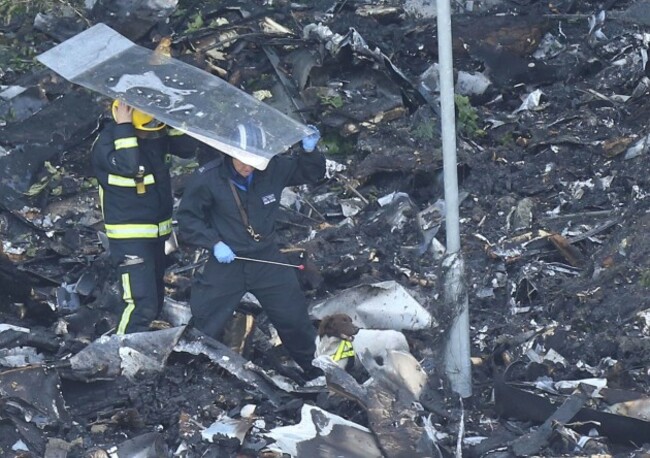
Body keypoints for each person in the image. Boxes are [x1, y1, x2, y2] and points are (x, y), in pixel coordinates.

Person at [176, 122, 324, 376]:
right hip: (227, 261)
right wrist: (214, 243)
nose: (247, 167)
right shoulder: (209, 178)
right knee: (206, 318)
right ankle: (194, 374)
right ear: (229, 154)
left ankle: (318, 372)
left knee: (293, 318)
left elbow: (311, 173)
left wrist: (309, 152)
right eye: (242, 160)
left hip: (266, 259)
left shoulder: (274, 169)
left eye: (254, 161)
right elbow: (188, 220)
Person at [91, 100, 198, 334]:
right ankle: (120, 359)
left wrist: (173, 117)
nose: (151, 134)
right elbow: (130, 166)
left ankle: (140, 355)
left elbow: (188, 149)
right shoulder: (108, 143)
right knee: (141, 305)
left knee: (156, 302)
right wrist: (125, 127)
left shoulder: (153, 135)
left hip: (157, 234)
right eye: (145, 127)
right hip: (130, 240)